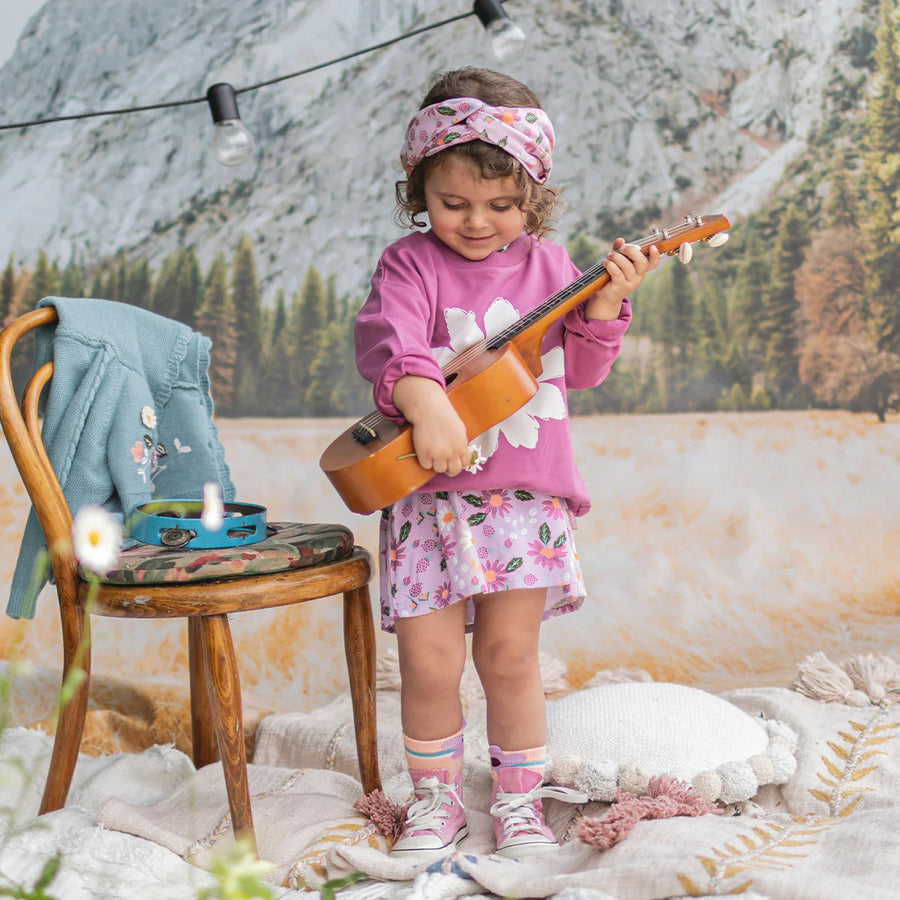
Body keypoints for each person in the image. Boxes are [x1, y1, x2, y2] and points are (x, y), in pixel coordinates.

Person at [354, 67, 659, 862]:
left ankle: (520, 805)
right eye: (453, 204)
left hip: (523, 499)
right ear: (420, 190)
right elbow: (394, 342)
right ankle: (435, 802)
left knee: (511, 656)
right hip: (428, 501)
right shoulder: (408, 265)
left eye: (501, 205)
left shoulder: (554, 269)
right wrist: (426, 405)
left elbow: (584, 373)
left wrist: (601, 307)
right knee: (426, 659)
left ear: (534, 197)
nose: (478, 222)